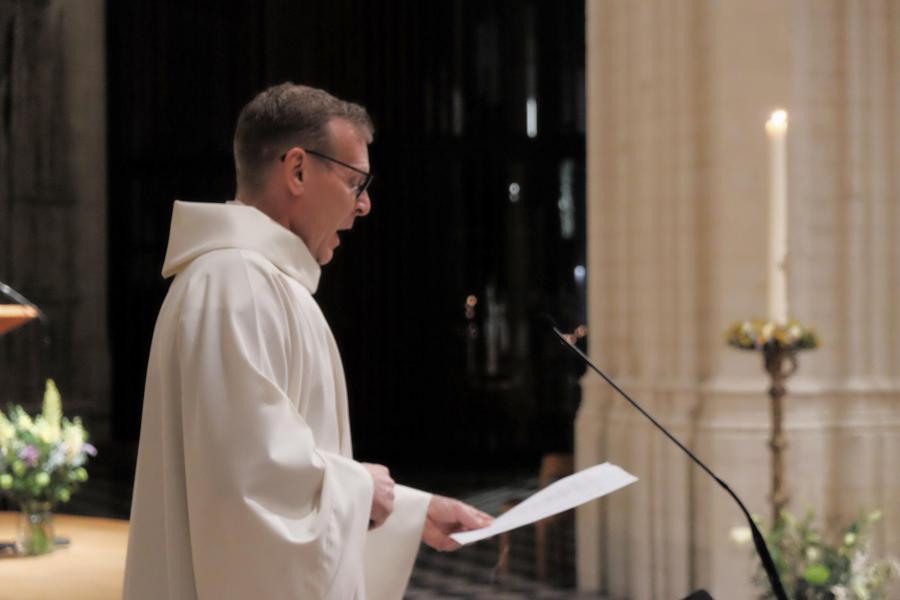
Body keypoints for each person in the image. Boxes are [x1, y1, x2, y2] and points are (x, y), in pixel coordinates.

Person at [123, 83, 492, 599]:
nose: (363, 206)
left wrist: (412, 510)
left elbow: (283, 468)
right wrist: (362, 490)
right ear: (297, 170)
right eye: (354, 182)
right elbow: (244, 494)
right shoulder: (236, 284)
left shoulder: (255, 281)